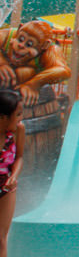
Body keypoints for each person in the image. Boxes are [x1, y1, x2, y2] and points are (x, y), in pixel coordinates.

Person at [0, 89, 24, 257]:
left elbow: (19, 157)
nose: (20, 119)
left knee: (1, 237)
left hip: (6, 186)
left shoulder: (18, 131)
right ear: (2, 117)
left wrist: (14, 177)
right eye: (17, 115)